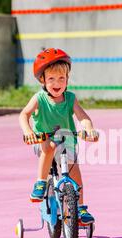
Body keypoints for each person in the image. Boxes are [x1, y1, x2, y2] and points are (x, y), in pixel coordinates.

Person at [19, 48, 99, 224]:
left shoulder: (70, 98)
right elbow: (24, 114)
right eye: (52, 79)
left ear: (67, 79)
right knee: (51, 146)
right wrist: (28, 132)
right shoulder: (39, 99)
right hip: (42, 141)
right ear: (43, 80)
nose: (57, 83)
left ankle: (80, 207)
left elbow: (82, 117)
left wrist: (88, 129)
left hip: (66, 141)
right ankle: (40, 182)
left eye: (61, 78)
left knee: (75, 170)